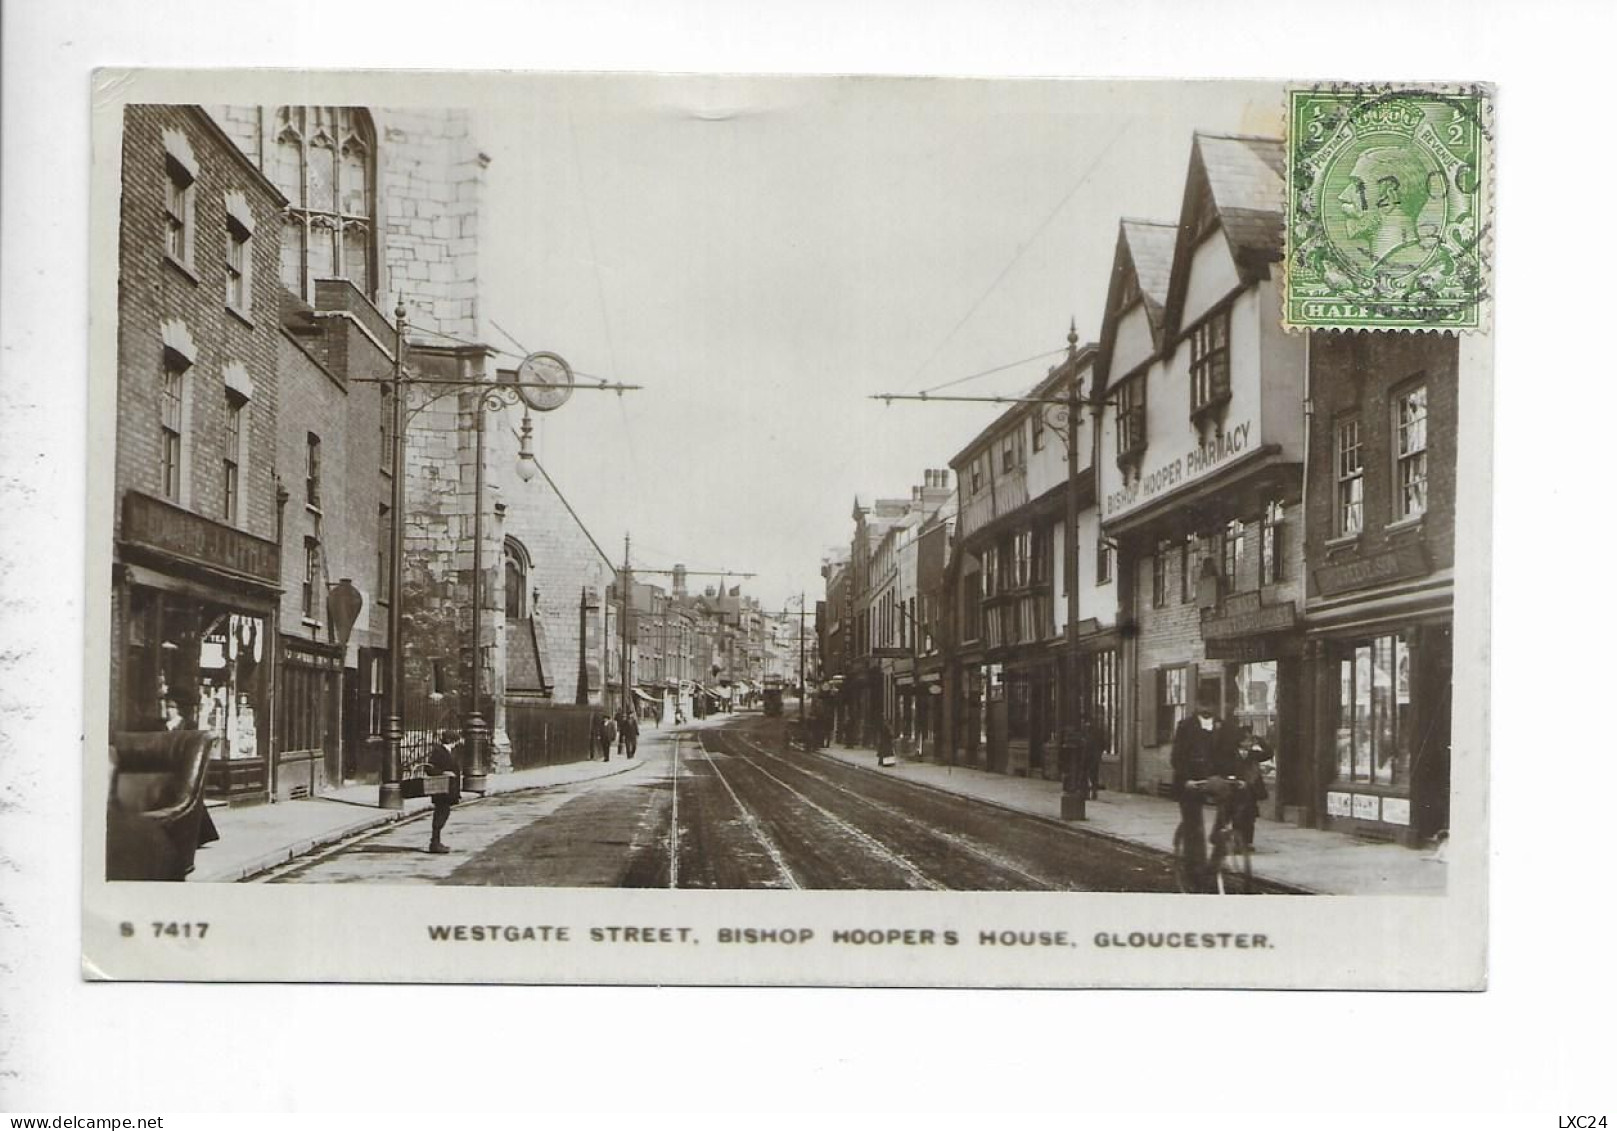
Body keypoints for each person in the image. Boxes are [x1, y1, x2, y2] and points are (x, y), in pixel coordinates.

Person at [1170, 693, 1225, 871]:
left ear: (1216, 706)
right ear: (1196, 705)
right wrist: (1187, 779)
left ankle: (1219, 837)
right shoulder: (1185, 726)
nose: (1206, 709)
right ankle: (1194, 871)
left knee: (1237, 802)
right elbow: (1177, 757)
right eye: (1203, 705)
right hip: (1190, 783)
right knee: (1194, 826)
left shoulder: (1222, 726)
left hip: (1213, 780)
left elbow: (1230, 753)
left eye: (1210, 705)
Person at [424, 728, 463, 855]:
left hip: (448, 789)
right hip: (441, 789)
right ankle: (434, 843)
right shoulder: (439, 751)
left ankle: (436, 841)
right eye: (455, 741)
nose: (456, 744)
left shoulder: (450, 751)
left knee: (443, 814)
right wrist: (443, 772)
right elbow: (429, 768)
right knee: (441, 814)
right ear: (450, 740)